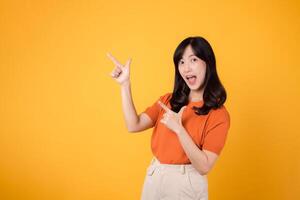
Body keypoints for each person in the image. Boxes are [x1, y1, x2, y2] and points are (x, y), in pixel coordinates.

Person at [107, 36, 230, 200]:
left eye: (193, 60)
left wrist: (179, 129)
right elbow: (133, 125)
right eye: (181, 62)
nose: (186, 68)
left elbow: (204, 166)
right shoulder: (167, 101)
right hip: (155, 177)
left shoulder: (218, 114)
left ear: (208, 62)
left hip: (186, 184)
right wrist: (124, 85)